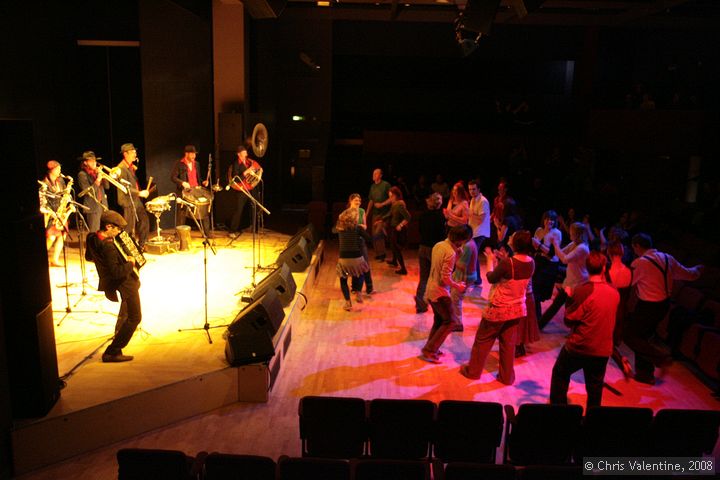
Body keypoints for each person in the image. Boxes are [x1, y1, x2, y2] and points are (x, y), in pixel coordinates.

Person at [625, 233, 704, 385]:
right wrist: (698, 269)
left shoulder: (640, 262)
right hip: (663, 305)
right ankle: (645, 374)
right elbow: (688, 274)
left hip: (648, 306)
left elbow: (628, 281)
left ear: (637, 246)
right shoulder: (668, 258)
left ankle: (660, 356)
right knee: (643, 337)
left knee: (630, 336)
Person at [459, 231, 534, 384]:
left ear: (515, 244)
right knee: (508, 344)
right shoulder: (531, 262)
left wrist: (489, 260)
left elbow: (491, 278)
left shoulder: (509, 263)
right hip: (517, 309)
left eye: (512, 237)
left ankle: (473, 371)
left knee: (483, 339)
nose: (510, 238)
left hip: (500, 308)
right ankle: (506, 377)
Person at [549, 251, 619, 409]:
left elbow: (569, 320)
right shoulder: (614, 292)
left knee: (560, 373)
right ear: (603, 268)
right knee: (595, 387)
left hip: (580, 346)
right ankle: (592, 421)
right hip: (602, 349)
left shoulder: (583, 291)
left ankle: (557, 411)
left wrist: (569, 298)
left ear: (587, 268)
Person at [85, 210, 141, 362]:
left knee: (128, 312)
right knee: (135, 317)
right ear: (108, 227)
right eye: (117, 229)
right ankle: (112, 351)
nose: (119, 232)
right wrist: (130, 263)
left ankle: (119, 331)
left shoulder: (92, 237)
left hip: (116, 283)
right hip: (125, 284)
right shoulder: (108, 247)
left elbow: (88, 257)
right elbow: (117, 272)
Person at [419, 225, 471, 363]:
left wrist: (456, 253)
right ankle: (430, 350)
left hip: (431, 288)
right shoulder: (451, 253)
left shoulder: (439, 245)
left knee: (440, 320)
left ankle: (430, 347)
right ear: (461, 240)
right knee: (451, 321)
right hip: (440, 292)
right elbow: (445, 278)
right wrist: (457, 286)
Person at [538, 222, 590, 330]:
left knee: (570, 308)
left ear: (577, 234)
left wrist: (555, 244)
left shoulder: (582, 248)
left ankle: (575, 331)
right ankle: (539, 325)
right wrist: (554, 245)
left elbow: (565, 260)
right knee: (556, 305)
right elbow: (560, 253)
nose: (569, 233)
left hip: (578, 282)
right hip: (570, 281)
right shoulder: (574, 244)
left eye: (571, 232)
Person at [333, 208, 371, 311]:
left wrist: (341, 218)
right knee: (361, 272)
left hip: (344, 260)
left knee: (343, 279)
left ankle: (348, 302)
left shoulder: (339, 228)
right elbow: (369, 239)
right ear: (354, 218)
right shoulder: (358, 228)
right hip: (356, 258)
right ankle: (358, 292)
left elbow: (332, 230)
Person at [415, 192, 447, 313]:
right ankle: (439, 306)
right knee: (437, 278)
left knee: (423, 278)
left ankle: (420, 305)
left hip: (422, 247)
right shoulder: (440, 217)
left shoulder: (423, 215)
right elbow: (442, 236)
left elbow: (420, 230)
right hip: (435, 249)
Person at [606, 241, 633, 379]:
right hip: (623, 309)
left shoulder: (609, 272)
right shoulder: (628, 271)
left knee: (605, 341)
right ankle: (620, 360)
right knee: (611, 341)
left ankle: (620, 361)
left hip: (611, 309)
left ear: (609, 253)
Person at [116, 143, 150, 250]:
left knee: (144, 221)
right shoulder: (121, 168)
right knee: (129, 226)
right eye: (133, 152)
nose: (135, 154)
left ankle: (141, 245)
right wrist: (139, 193)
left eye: (135, 152)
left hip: (135, 199)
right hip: (127, 200)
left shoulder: (130, 166)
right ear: (125, 154)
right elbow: (124, 188)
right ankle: (125, 248)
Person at [531, 210, 562, 321]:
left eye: (552, 220)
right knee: (534, 289)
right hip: (539, 261)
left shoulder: (556, 233)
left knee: (537, 291)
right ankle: (536, 317)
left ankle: (538, 318)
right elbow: (535, 247)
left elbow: (551, 253)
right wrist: (537, 246)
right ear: (544, 220)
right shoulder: (539, 230)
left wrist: (539, 245)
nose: (549, 221)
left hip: (549, 265)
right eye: (547, 219)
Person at [39, 160, 70, 267]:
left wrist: (67, 198)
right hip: (50, 214)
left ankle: (55, 259)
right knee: (51, 238)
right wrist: (51, 213)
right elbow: (42, 202)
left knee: (62, 236)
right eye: (58, 169)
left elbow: (64, 194)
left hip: (60, 213)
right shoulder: (44, 184)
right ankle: (41, 259)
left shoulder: (60, 181)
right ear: (51, 170)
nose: (60, 170)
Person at [171, 145, 209, 230]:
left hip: (196, 190)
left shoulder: (197, 164)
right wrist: (182, 182)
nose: (194, 156)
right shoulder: (179, 163)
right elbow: (173, 177)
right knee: (182, 214)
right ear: (186, 154)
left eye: (194, 154)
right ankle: (179, 235)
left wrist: (203, 182)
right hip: (185, 191)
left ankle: (207, 233)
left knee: (204, 210)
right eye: (192, 154)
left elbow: (197, 177)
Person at [227, 145, 263, 236]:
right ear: (239, 154)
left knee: (256, 207)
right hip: (242, 189)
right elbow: (236, 179)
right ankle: (232, 231)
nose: (246, 153)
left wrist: (258, 173)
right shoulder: (236, 164)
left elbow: (258, 168)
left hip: (252, 188)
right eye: (244, 152)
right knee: (238, 210)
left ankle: (255, 228)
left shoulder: (248, 161)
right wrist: (246, 172)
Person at [450, 225, 477, 332]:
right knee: (454, 298)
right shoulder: (471, 243)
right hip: (465, 275)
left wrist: (453, 255)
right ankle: (455, 321)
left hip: (464, 277)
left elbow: (461, 265)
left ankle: (457, 324)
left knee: (455, 299)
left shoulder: (467, 246)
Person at [348, 193, 373, 299]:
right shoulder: (347, 213)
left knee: (365, 264)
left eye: (359, 200)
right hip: (351, 241)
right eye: (356, 200)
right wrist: (358, 227)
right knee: (355, 265)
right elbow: (347, 227)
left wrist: (358, 226)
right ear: (350, 201)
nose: (358, 202)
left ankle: (369, 287)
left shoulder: (362, 211)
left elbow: (365, 226)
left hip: (361, 240)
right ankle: (354, 288)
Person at [77, 151, 108, 234]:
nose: (94, 163)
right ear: (85, 162)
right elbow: (88, 191)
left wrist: (104, 177)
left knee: (104, 232)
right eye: (91, 161)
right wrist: (98, 180)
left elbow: (107, 187)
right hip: (93, 207)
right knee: (94, 233)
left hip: (103, 205)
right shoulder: (82, 174)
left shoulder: (97, 173)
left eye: (95, 160)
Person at [383, 186, 411, 275]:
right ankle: (394, 261)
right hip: (393, 228)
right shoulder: (395, 204)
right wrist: (381, 219)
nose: (390, 198)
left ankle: (403, 269)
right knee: (392, 245)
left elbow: (408, 217)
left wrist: (401, 225)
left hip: (397, 230)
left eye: (391, 196)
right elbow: (390, 214)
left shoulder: (399, 204)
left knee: (396, 248)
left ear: (395, 196)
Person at [468, 179, 491, 286]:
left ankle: (477, 279)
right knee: (473, 254)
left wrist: (469, 213)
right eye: (470, 189)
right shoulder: (473, 200)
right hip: (473, 232)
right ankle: (475, 278)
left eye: (474, 189)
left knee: (473, 253)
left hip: (480, 232)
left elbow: (480, 219)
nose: (471, 191)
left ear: (479, 189)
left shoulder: (483, 201)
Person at [366, 168, 392, 261]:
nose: (374, 175)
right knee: (374, 234)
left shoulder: (386, 185)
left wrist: (382, 204)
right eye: (373, 173)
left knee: (378, 233)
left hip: (383, 214)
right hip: (375, 214)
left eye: (376, 173)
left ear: (381, 175)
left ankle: (382, 254)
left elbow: (391, 198)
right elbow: (371, 201)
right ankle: (378, 253)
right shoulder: (372, 186)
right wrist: (367, 213)